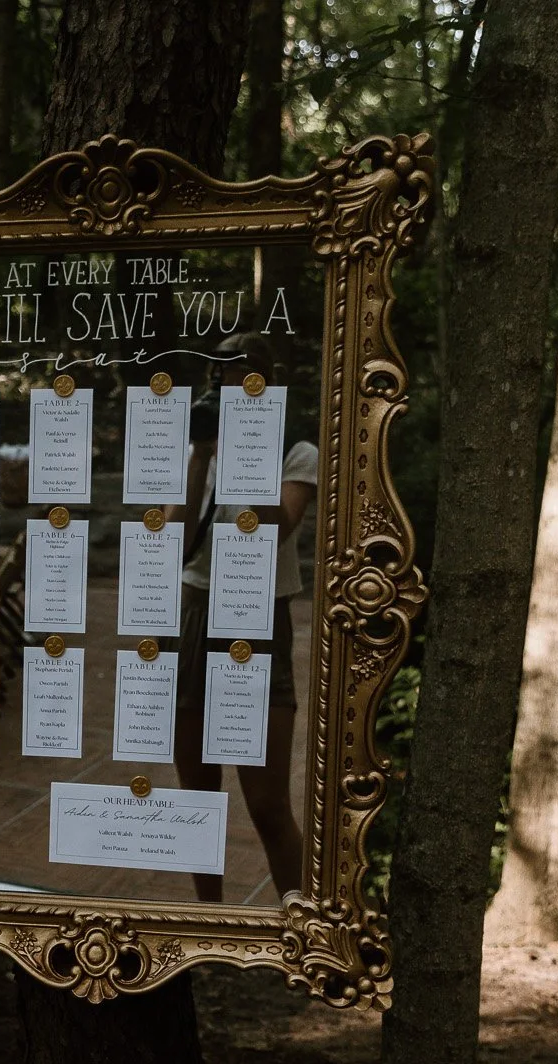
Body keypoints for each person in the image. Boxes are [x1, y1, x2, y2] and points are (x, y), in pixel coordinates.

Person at [171, 332, 315, 903]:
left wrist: (245, 446)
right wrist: (201, 453)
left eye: (243, 370)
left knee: (267, 803)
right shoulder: (202, 451)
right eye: (223, 370)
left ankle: (302, 924)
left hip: (257, 619)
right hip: (194, 611)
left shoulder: (295, 451)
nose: (231, 380)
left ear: (268, 380)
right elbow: (177, 542)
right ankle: (210, 922)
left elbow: (277, 527)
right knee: (196, 796)